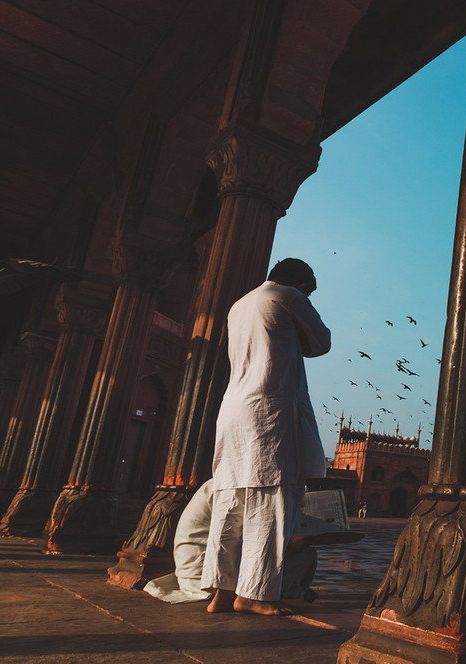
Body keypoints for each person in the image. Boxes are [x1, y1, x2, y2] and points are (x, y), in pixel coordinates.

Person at [200, 258, 330, 616]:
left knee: (231, 504)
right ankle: (253, 594)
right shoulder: (289, 296)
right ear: (301, 284)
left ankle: (221, 593)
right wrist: (300, 308)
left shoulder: (238, 305)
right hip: (269, 410)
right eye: (309, 291)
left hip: (234, 412)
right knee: (271, 501)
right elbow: (321, 343)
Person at [146, 480, 360, 607]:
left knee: (303, 550)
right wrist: (292, 543)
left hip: (201, 571)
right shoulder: (238, 486)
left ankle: (295, 590)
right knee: (304, 555)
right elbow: (253, 544)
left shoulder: (227, 480)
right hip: (207, 579)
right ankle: (289, 593)